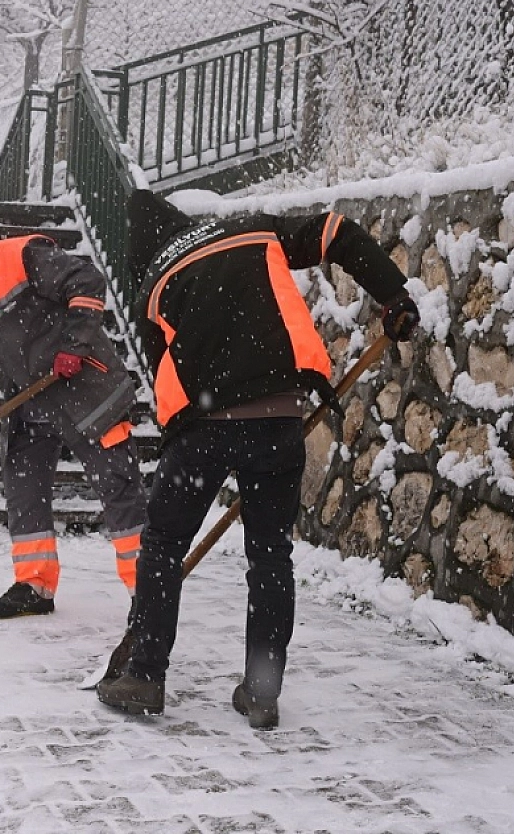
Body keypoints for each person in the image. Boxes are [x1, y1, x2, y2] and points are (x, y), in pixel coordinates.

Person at [97, 189, 419, 729]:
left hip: (202, 428)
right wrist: (395, 295)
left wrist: (181, 446)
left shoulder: (153, 284)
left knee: (163, 546)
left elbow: (163, 379)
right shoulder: (251, 230)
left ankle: (146, 674)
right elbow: (335, 230)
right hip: (278, 413)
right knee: (269, 556)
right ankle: (262, 691)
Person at [0, 215, 148, 620]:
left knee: (117, 485)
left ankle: (148, 588)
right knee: (23, 488)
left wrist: (75, 344)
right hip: (29, 401)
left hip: (86, 388)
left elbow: (86, 281)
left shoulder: (22, 256)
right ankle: (34, 585)